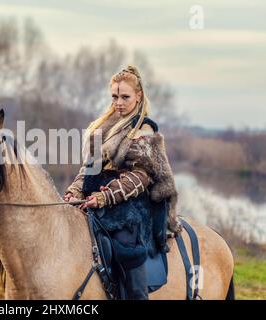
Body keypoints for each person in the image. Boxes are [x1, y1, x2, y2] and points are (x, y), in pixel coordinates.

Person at [63, 65, 181, 300]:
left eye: (125, 97)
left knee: (126, 246)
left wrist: (104, 196)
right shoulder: (104, 127)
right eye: (115, 96)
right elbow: (89, 168)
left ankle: (137, 295)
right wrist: (74, 191)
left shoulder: (144, 129)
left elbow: (140, 176)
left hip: (132, 205)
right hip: (97, 200)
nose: (119, 102)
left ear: (138, 96)